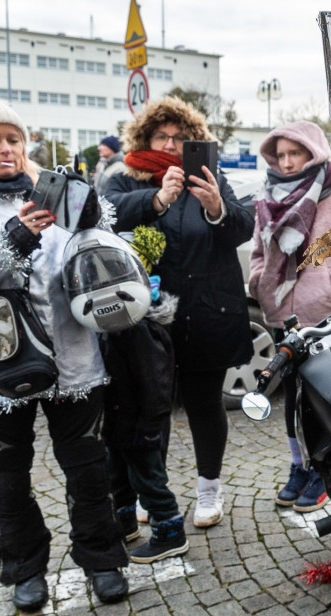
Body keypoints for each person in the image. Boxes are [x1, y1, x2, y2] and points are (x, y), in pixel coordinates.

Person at [0, 94, 129, 610]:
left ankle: (102, 559)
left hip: (74, 359)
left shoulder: (50, 194)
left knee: (87, 466)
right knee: (7, 475)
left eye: (13, 139)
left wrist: (88, 211)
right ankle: (23, 570)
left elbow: (99, 253)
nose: (6, 149)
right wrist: (14, 237)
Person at [103, 96, 253, 529]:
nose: (170, 144)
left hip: (206, 311)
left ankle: (210, 490)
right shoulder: (126, 177)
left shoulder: (210, 176)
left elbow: (243, 225)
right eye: (161, 136)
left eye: (179, 138)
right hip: (147, 318)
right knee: (150, 408)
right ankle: (155, 491)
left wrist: (216, 208)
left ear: (194, 142)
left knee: (205, 405)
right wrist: (156, 198)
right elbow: (103, 215)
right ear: (144, 138)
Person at [249, 121, 331, 512]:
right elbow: (258, 251)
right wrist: (259, 282)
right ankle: (299, 466)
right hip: (284, 313)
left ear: (312, 151)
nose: (285, 162)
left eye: (293, 153)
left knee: (325, 399)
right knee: (293, 397)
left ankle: (323, 470)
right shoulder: (267, 195)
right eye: (279, 154)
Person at [102, 254, 188, 563]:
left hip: (141, 424)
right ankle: (124, 522)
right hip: (120, 418)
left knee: (147, 478)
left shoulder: (138, 328)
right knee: (119, 474)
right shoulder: (116, 323)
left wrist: (150, 428)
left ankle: (170, 530)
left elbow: (155, 384)